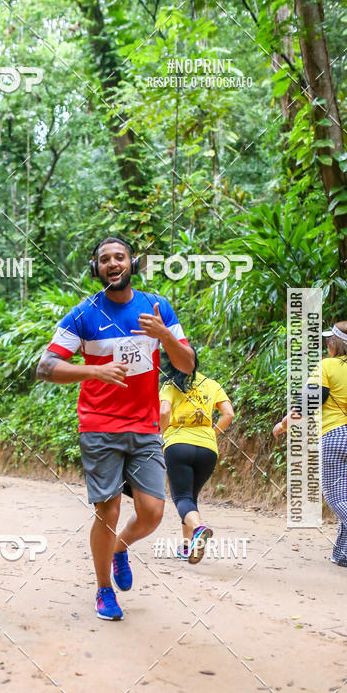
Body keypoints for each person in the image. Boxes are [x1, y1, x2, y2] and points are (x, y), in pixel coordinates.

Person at [37, 235, 194, 620]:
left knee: (153, 512)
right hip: (99, 425)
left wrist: (164, 335)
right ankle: (104, 590)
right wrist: (94, 370)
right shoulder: (83, 314)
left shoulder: (157, 307)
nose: (112, 263)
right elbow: (45, 367)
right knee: (106, 511)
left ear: (131, 263)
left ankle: (121, 548)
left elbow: (187, 364)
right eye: (104, 259)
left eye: (119, 257)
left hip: (145, 426)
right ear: (96, 268)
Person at [274, 321, 347, 580]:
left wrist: (283, 426)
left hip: (339, 438)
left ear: (334, 343)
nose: (327, 344)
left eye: (329, 340)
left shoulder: (328, 366)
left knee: (338, 498)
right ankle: (344, 555)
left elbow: (305, 404)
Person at [160, 353, 234, 563]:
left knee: (181, 498)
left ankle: (199, 530)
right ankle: (186, 546)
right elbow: (229, 414)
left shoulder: (171, 384)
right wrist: (213, 433)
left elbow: (164, 411)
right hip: (207, 449)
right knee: (190, 497)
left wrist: (163, 434)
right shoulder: (211, 384)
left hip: (178, 445)